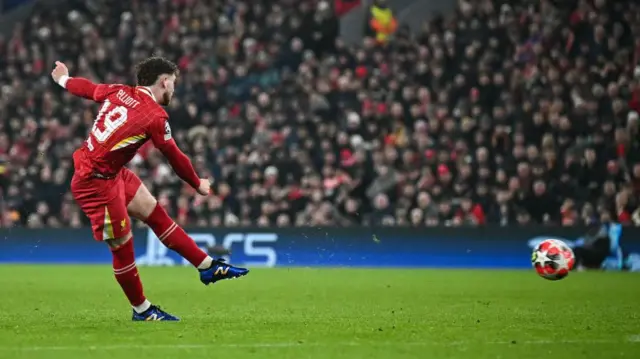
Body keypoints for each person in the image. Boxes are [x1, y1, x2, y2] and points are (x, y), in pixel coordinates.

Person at [50, 57, 249, 321]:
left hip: (112, 172)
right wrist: (198, 184)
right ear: (164, 81)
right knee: (122, 245)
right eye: (173, 84)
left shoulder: (120, 91)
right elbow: (175, 157)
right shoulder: (154, 116)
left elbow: (88, 89)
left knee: (152, 210)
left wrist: (64, 78)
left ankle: (207, 266)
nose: (174, 90)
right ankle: (142, 310)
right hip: (95, 183)